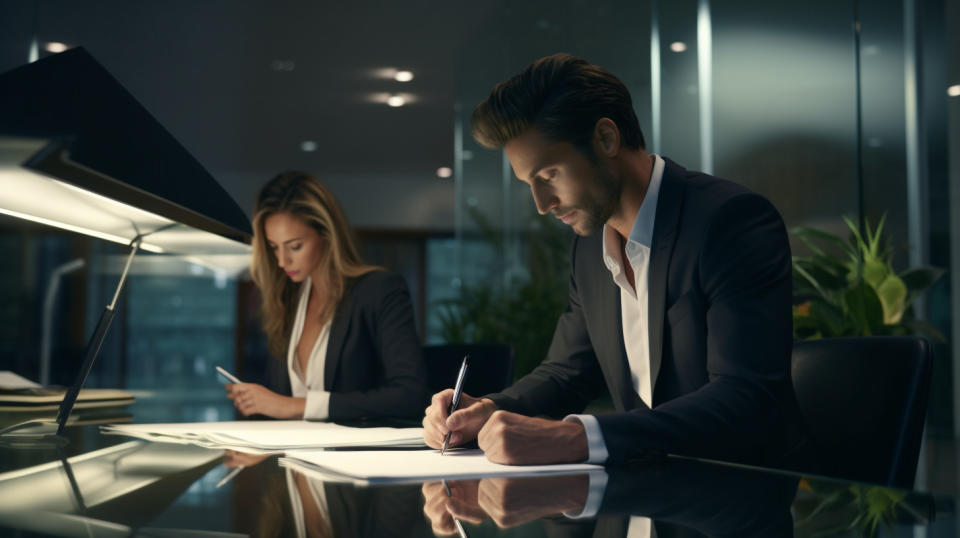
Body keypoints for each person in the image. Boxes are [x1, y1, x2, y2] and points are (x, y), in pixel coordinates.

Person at [422, 54, 806, 468]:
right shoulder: (588, 248)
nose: (541, 204)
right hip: (642, 494)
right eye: (529, 184)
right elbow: (567, 372)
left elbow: (745, 397)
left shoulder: (729, 221)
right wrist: (489, 408)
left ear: (606, 138)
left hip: (732, 496)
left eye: (549, 174)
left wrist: (579, 438)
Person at [225, 171, 429, 421]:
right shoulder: (287, 298)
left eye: (295, 246)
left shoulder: (380, 290)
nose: (281, 260)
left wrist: (297, 406)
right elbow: (279, 401)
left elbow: (410, 396)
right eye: (274, 247)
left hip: (356, 457)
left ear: (326, 234)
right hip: (293, 455)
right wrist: (258, 404)